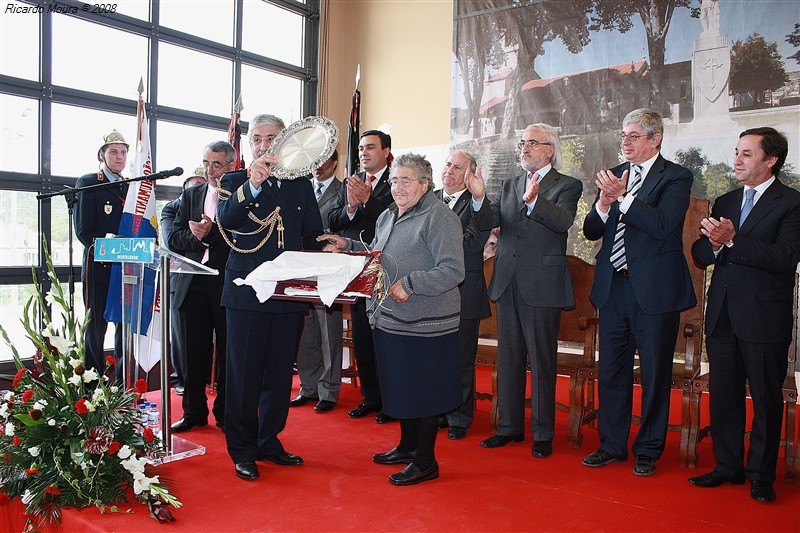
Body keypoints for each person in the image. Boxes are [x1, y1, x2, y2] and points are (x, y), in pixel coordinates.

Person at [320, 153, 465, 485]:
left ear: (425, 184)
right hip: (390, 319)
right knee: (403, 387)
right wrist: (347, 245)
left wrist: (411, 284)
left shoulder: (438, 216)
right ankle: (408, 445)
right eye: (395, 180)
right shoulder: (388, 214)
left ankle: (426, 461)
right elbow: (376, 253)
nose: (398, 186)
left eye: (406, 180)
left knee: (424, 392)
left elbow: (453, 270)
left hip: (426, 321)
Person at [581, 108, 695, 476]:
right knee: (611, 372)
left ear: (655, 138)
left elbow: (663, 225)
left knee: (654, 375)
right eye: (623, 136)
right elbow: (591, 231)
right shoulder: (613, 175)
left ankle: (647, 449)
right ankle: (612, 445)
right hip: (613, 288)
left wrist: (624, 199)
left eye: (633, 136)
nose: (625, 142)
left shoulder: (676, 176)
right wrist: (603, 203)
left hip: (655, 292)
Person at [689, 127, 800, 503]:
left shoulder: (791, 203)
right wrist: (716, 244)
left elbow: (786, 258)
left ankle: (761, 476)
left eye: (747, 154)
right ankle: (727, 467)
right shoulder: (726, 199)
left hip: (763, 319)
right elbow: (701, 255)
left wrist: (733, 240)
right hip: (722, 316)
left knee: (766, 402)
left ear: (771, 160)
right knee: (724, 397)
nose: (737, 159)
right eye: (736, 151)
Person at [217, 114, 328, 481]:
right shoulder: (233, 180)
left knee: (280, 375)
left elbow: (310, 234)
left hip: (286, 293)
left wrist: (331, 246)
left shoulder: (299, 185)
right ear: (250, 146)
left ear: (285, 142)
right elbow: (228, 220)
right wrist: (253, 184)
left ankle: (269, 440)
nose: (265, 145)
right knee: (244, 375)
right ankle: (243, 448)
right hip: (246, 291)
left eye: (272, 138)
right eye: (258, 139)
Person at [467, 124, 583, 458]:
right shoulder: (510, 184)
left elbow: (562, 221)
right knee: (510, 358)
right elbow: (487, 220)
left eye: (532, 143)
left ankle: (543, 434)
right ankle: (509, 427)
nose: (525, 148)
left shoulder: (567, 185)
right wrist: (477, 197)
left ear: (550, 149)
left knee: (542, 360)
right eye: (522, 143)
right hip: (506, 280)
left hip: (541, 284)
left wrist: (534, 202)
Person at [168, 141, 236, 434]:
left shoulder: (240, 194)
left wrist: (211, 235)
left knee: (227, 354)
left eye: (217, 164)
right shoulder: (191, 193)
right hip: (192, 281)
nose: (209, 170)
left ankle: (225, 413)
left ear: (231, 166)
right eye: (206, 163)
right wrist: (198, 238)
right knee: (193, 354)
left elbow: (241, 238)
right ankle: (193, 412)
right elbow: (175, 238)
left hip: (225, 282)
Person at [328, 130, 394, 423]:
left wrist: (369, 201)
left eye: (370, 148)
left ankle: (392, 400)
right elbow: (334, 220)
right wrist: (352, 206)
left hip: (388, 268)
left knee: (386, 339)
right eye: (362, 148)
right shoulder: (353, 183)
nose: (364, 153)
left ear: (386, 151)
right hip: (357, 267)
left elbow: (395, 218)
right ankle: (371, 397)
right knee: (363, 336)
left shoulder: (399, 181)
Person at [435, 150, 491, 440]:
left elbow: (472, 243)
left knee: (460, 359)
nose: (450, 171)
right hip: (431, 292)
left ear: (469, 175)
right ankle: (440, 410)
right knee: (437, 357)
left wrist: (435, 237)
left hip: (464, 292)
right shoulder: (428, 198)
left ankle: (459, 417)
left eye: (458, 167)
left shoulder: (478, 206)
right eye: (448, 164)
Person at [292, 150, 345, 413]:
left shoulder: (343, 190)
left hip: (328, 268)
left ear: (335, 162)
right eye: (314, 159)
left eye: (323, 159)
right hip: (301, 266)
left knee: (328, 332)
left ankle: (329, 389)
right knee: (306, 330)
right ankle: (308, 386)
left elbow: (344, 222)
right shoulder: (301, 188)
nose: (316, 164)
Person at [74, 130, 129, 374]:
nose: (120, 156)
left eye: (123, 152)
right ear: (102, 155)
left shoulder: (130, 187)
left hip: (127, 269)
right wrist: (114, 249)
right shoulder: (89, 182)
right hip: (99, 268)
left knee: (124, 330)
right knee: (96, 329)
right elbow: (84, 232)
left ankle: (122, 385)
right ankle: (92, 387)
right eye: (114, 151)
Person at [160, 170, 207, 395]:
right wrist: (206, 238)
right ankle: (182, 380)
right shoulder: (172, 208)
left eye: (202, 185)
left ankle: (207, 377)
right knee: (182, 338)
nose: (197, 189)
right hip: (181, 281)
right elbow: (172, 242)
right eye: (193, 185)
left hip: (211, 280)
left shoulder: (214, 206)